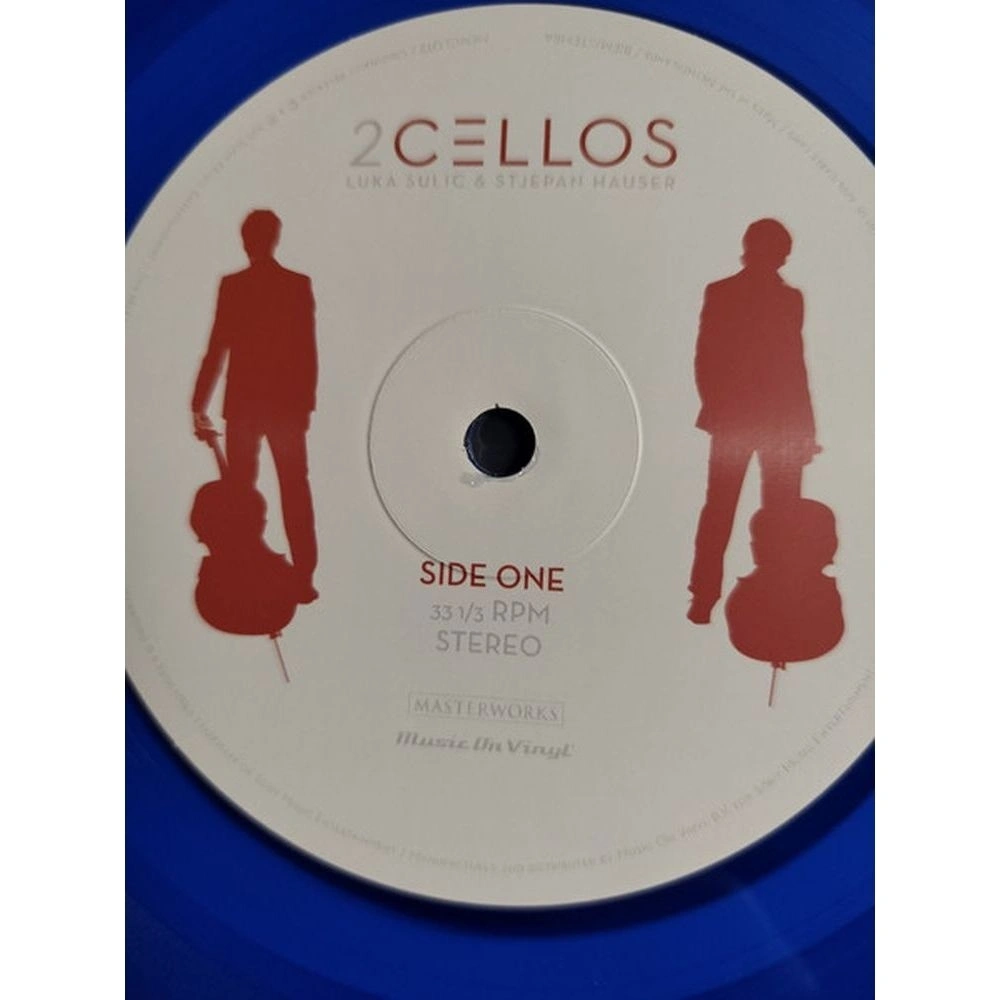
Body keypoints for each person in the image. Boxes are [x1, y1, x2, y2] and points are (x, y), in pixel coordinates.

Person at [687, 218, 818, 624]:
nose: (782, 259)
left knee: (768, 515)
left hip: (768, 425)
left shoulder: (784, 298)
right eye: (778, 251)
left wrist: (803, 431)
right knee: (727, 511)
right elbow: (707, 358)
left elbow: (793, 365)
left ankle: (759, 601)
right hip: (751, 423)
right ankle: (707, 597)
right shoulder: (726, 292)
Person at [192, 209, 319, 603]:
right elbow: (307, 352)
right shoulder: (295, 284)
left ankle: (242, 571)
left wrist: (199, 404)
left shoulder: (235, 286)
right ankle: (302, 577)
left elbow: (217, 348)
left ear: (247, 240)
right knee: (293, 491)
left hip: (245, 407)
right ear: (274, 239)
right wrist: (304, 407)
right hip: (284, 409)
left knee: (241, 494)